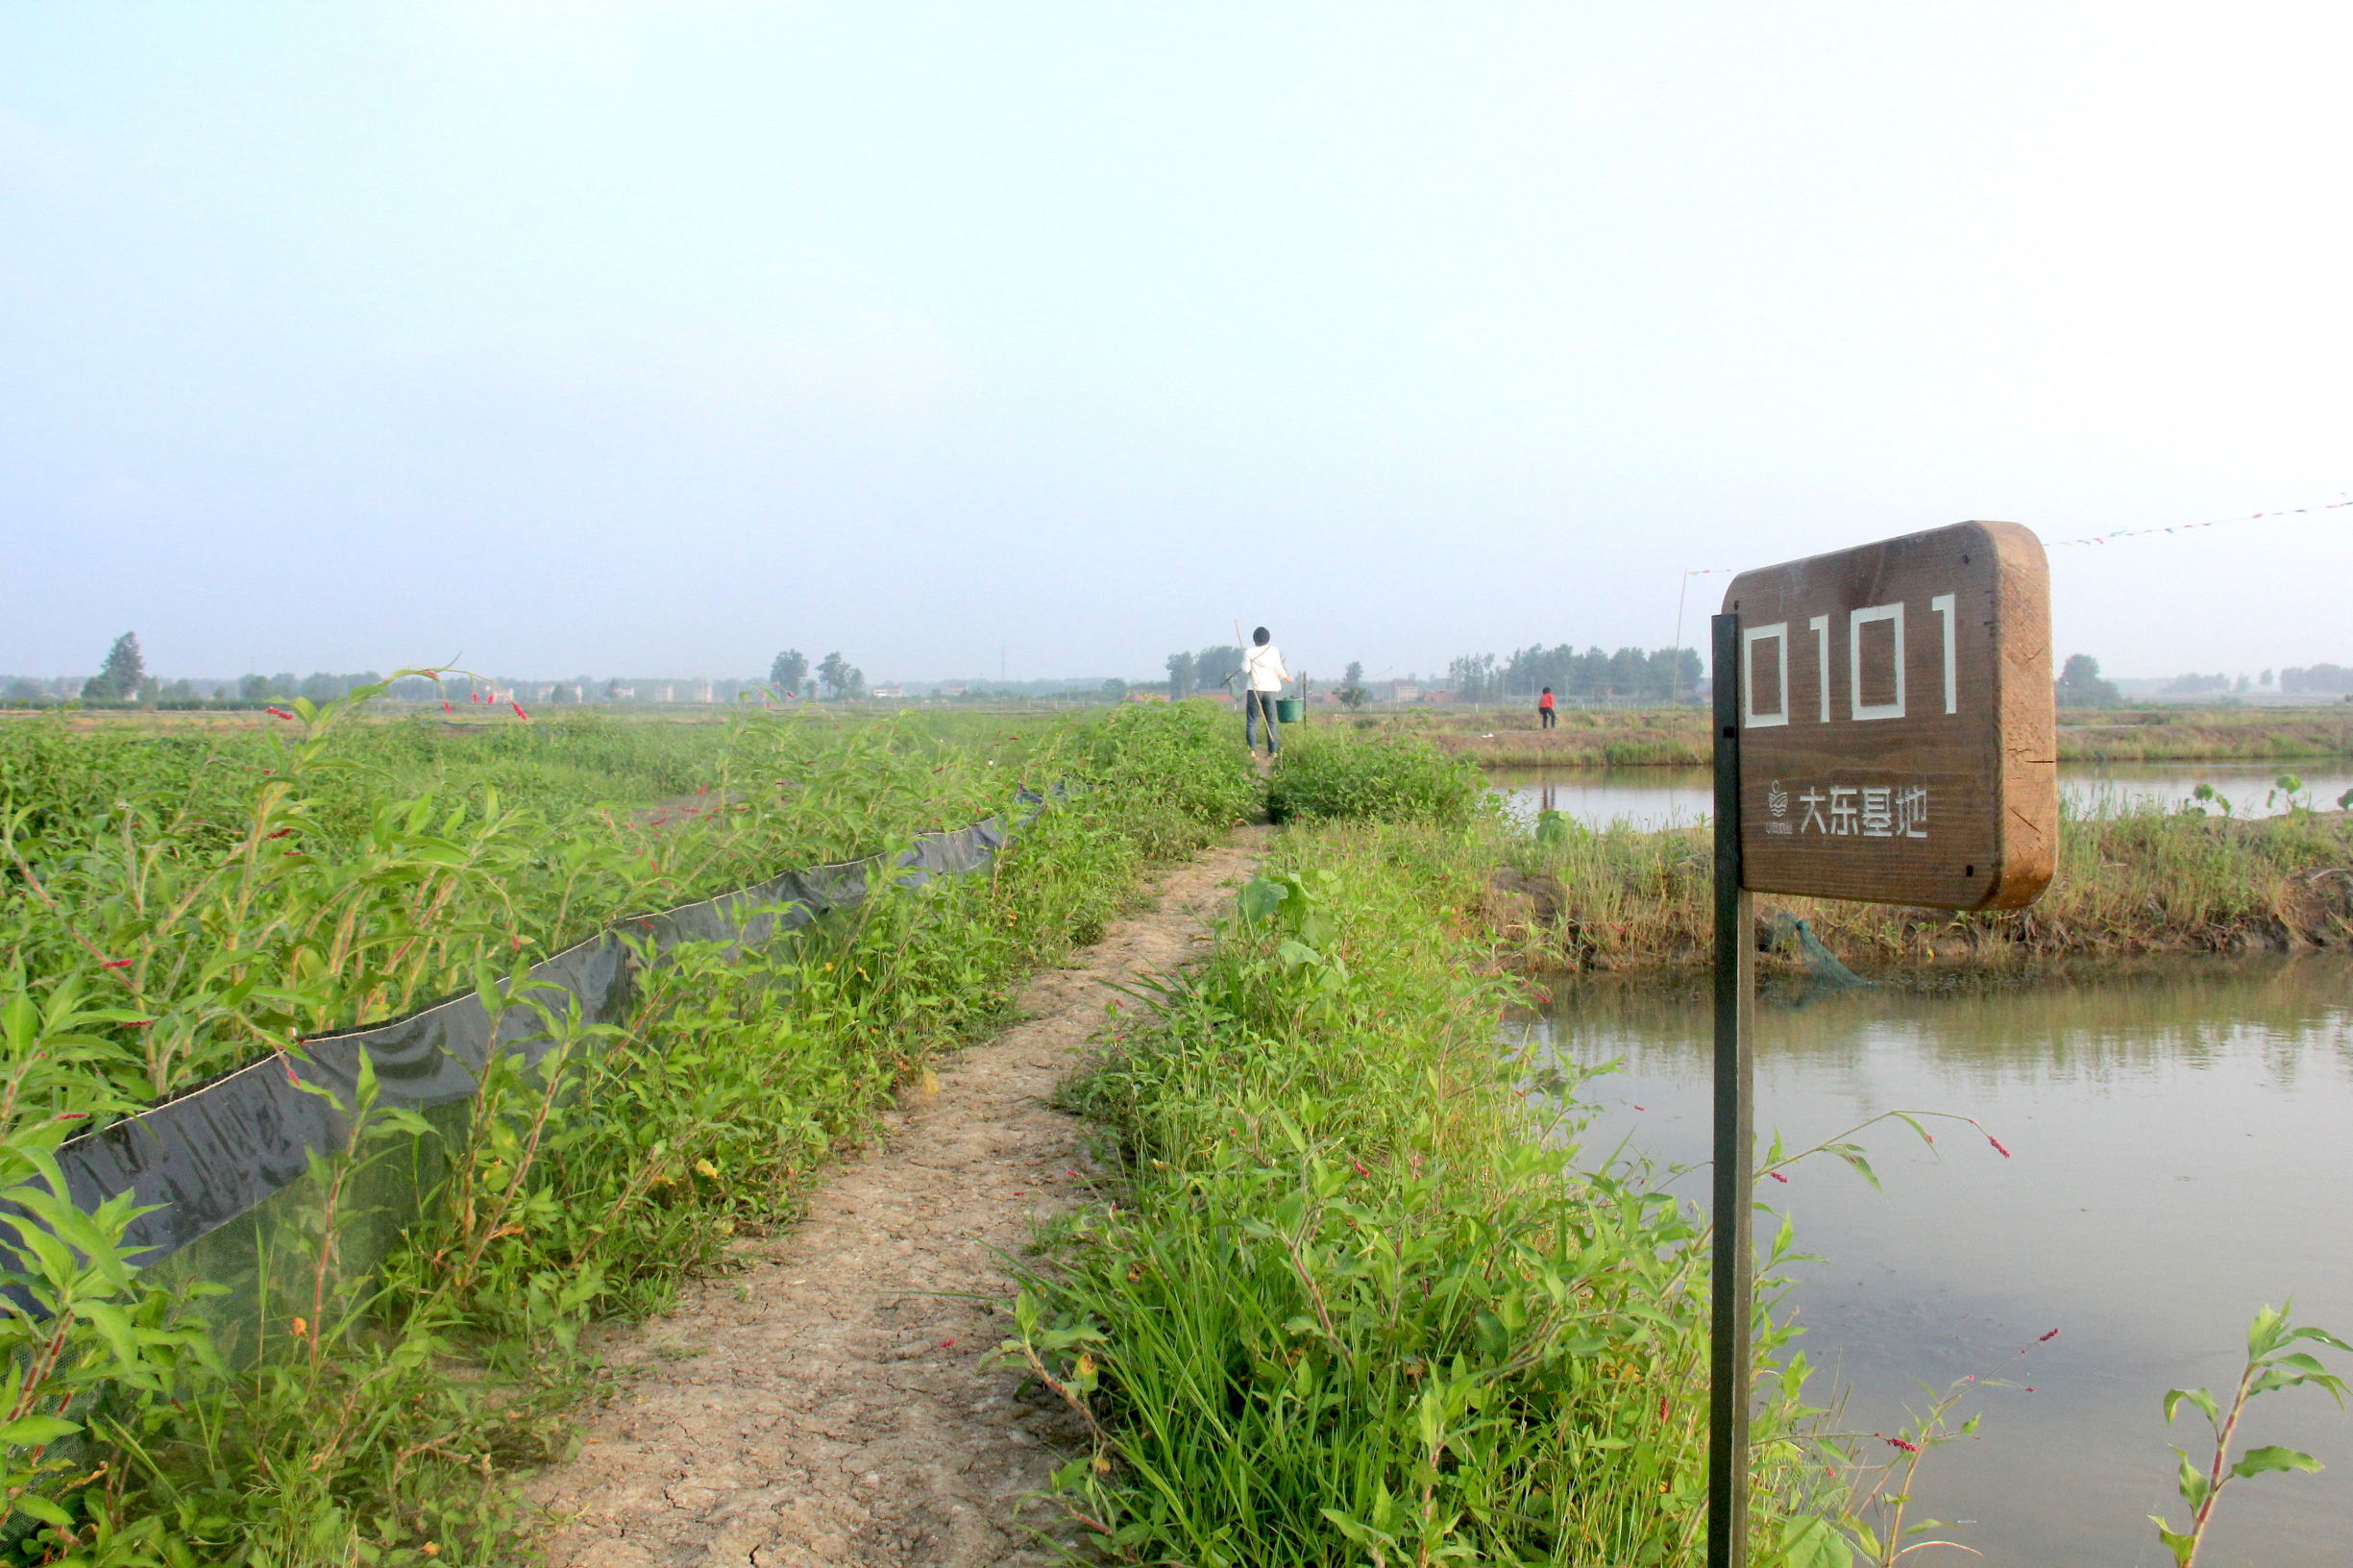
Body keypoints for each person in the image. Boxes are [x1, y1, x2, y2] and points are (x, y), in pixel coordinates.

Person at [1241, 625, 1289, 754]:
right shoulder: (1274, 651)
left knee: (1252, 721)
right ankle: (1273, 752)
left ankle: (1252, 750)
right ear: (1268, 638)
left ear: (1254, 639)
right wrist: (1286, 677)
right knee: (1271, 721)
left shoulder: (1249, 653)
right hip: (1271, 689)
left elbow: (1246, 670)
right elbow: (1279, 668)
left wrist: (1247, 663)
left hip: (1255, 689)